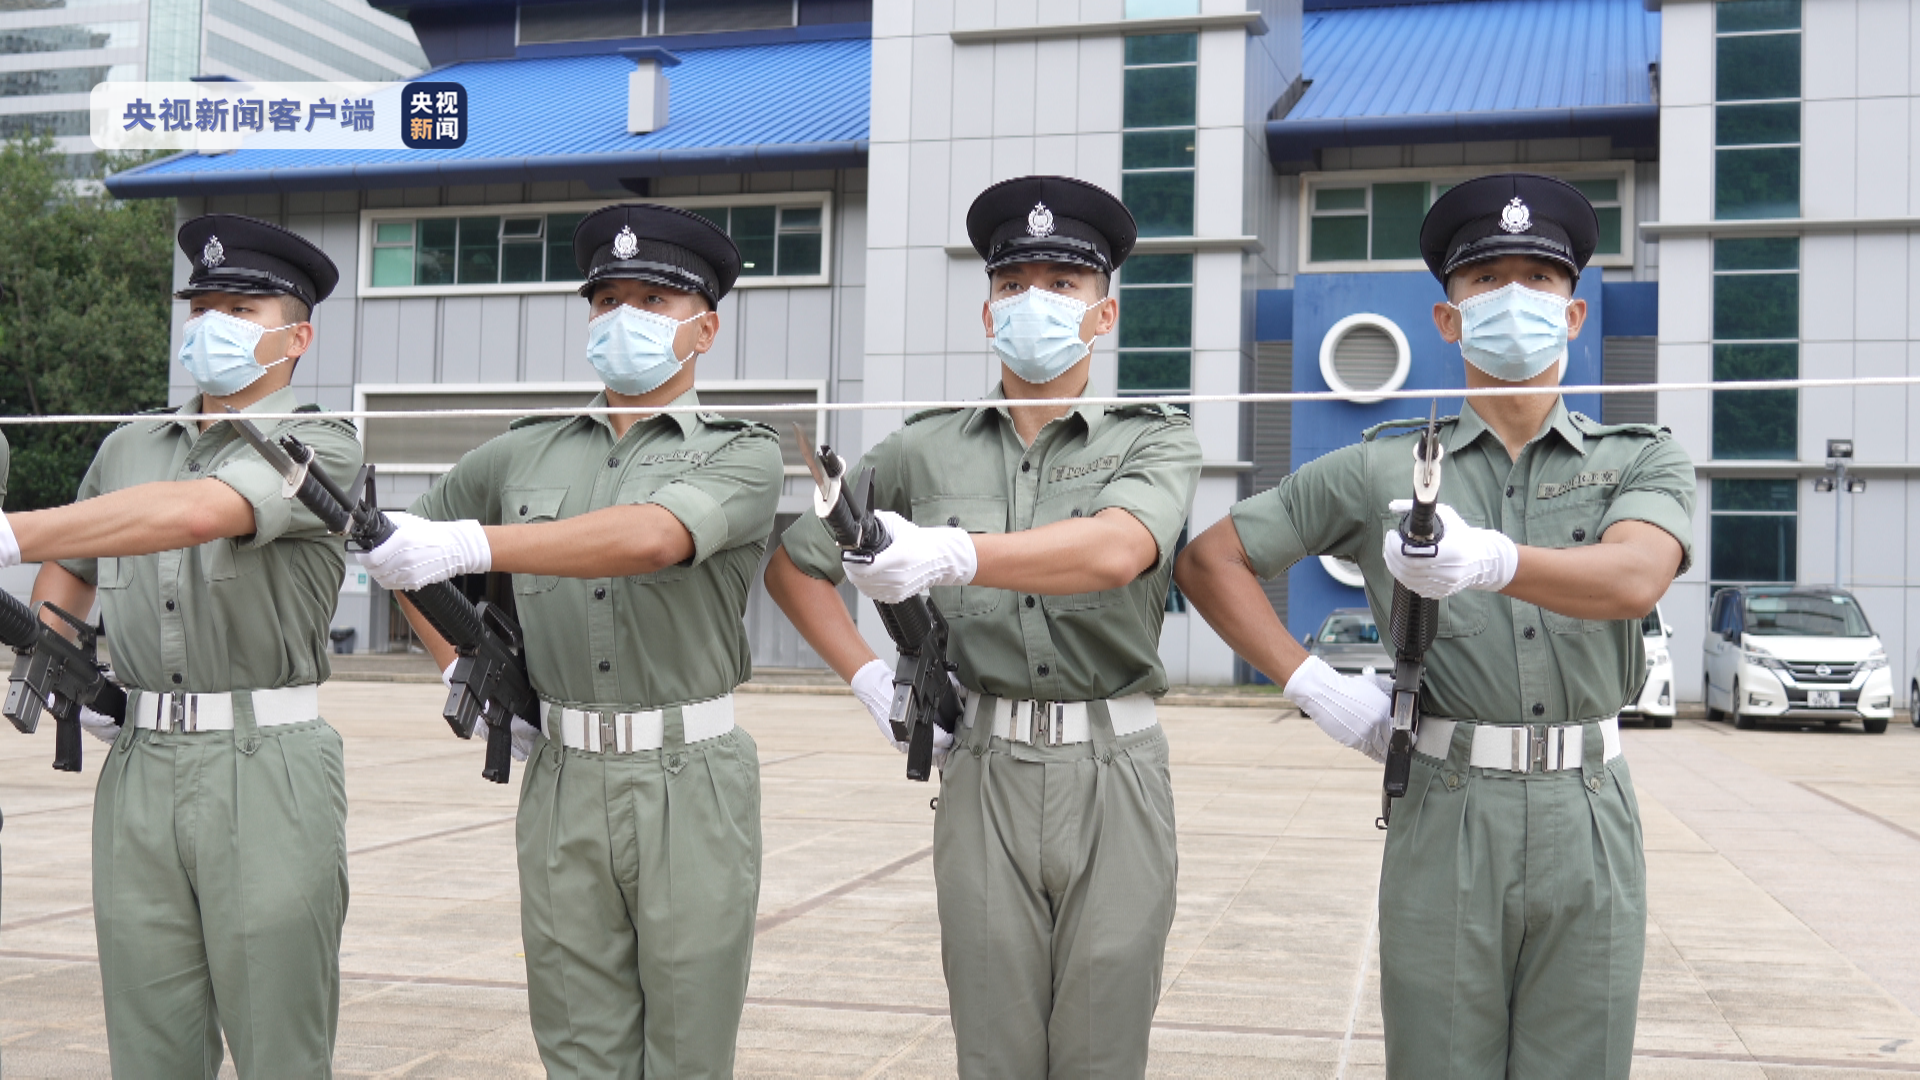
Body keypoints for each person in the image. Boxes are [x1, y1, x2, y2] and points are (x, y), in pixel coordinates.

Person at [1175, 173, 1695, 1078]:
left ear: (1574, 316)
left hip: (1588, 804)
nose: (1515, 298)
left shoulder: (1638, 459)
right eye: (1487, 280)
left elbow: (1637, 576)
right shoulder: (1378, 469)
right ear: (1449, 320)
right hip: (1448, 801)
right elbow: (1209, 561)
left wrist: (1492, 560)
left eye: (1540, 280)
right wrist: (1317, 688)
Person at [765, 175, 1201, 1078]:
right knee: (992, 1045)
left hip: (1114, 768)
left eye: (1062, 284)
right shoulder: (921, 448)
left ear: (1105, 314)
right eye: (1012, 284)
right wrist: (870, 682)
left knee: (1102, 1044)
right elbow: (796, 564)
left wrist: (950, 552)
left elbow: (1117, 549)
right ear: (988, 312)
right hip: (982, 765)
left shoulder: (1153, 438)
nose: (1034, 300)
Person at [354, 203, 782, 1080]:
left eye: (653, 301)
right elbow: (398, 551)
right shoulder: (524, 451)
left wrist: (472, 546)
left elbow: (652, 537)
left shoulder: (742, 454)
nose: (624, 317)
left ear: (705, 329)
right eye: (607, 300)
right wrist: (460, 667)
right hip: (562, 774)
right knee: (578, 1045)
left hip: (688, 777)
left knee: (688, 1048)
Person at [3, 214, 361, 1077]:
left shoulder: (321, 445)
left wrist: (12, 531)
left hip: (266, 761)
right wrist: (59, 663)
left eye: (240, 311)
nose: (211, 327)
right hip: (140, 763)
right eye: (201, 309)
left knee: (278, 1043)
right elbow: (72, 569)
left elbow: (201, 511)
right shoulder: (129, 446)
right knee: (149, 1038)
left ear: (297, 338)